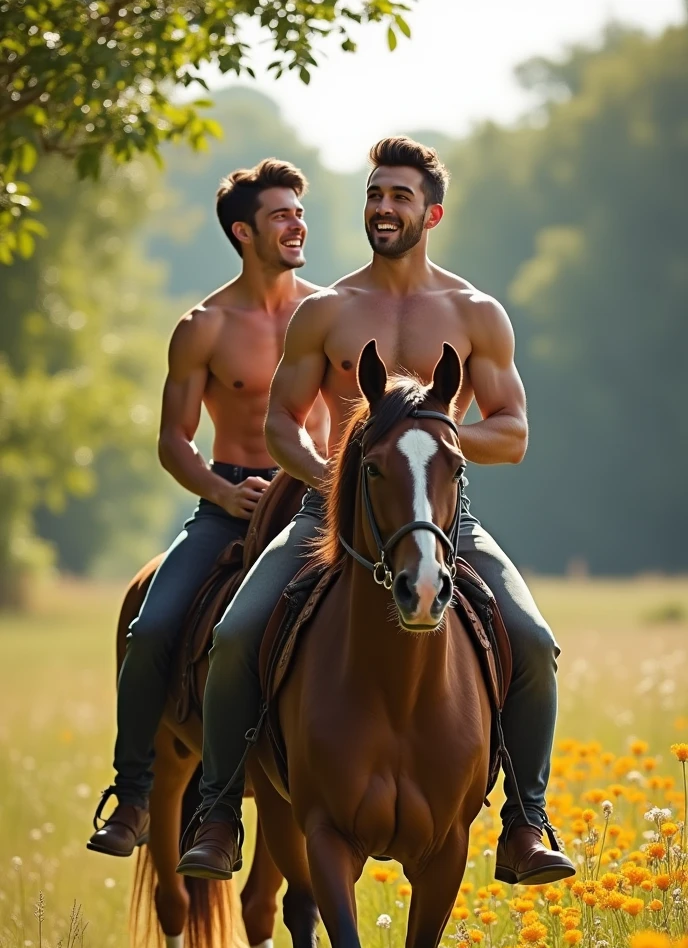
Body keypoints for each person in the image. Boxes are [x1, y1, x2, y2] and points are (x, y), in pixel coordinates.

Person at [177, 137, 575, 886]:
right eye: (374, 195)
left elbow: (514, 431)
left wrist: (432, 440)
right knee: (232, 636)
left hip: (445, 523)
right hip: (330, 512)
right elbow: (281, 424)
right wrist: (335, 473)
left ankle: (526, 821)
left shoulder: (476, 312)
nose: (383, 208)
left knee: (536, 643)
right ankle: (221, 812)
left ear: (433, 213)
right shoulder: (326, 311)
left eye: (399, 197)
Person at [88, 158, 327, 857]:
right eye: (281, 214)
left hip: (316, 505)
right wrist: (221, 492)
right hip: (229, 502)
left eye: (299, 212)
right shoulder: (204, 326)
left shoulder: (328, 312)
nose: (297, 223)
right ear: (243, 231)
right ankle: (132, 796)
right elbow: (172, 440)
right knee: (154, 629)